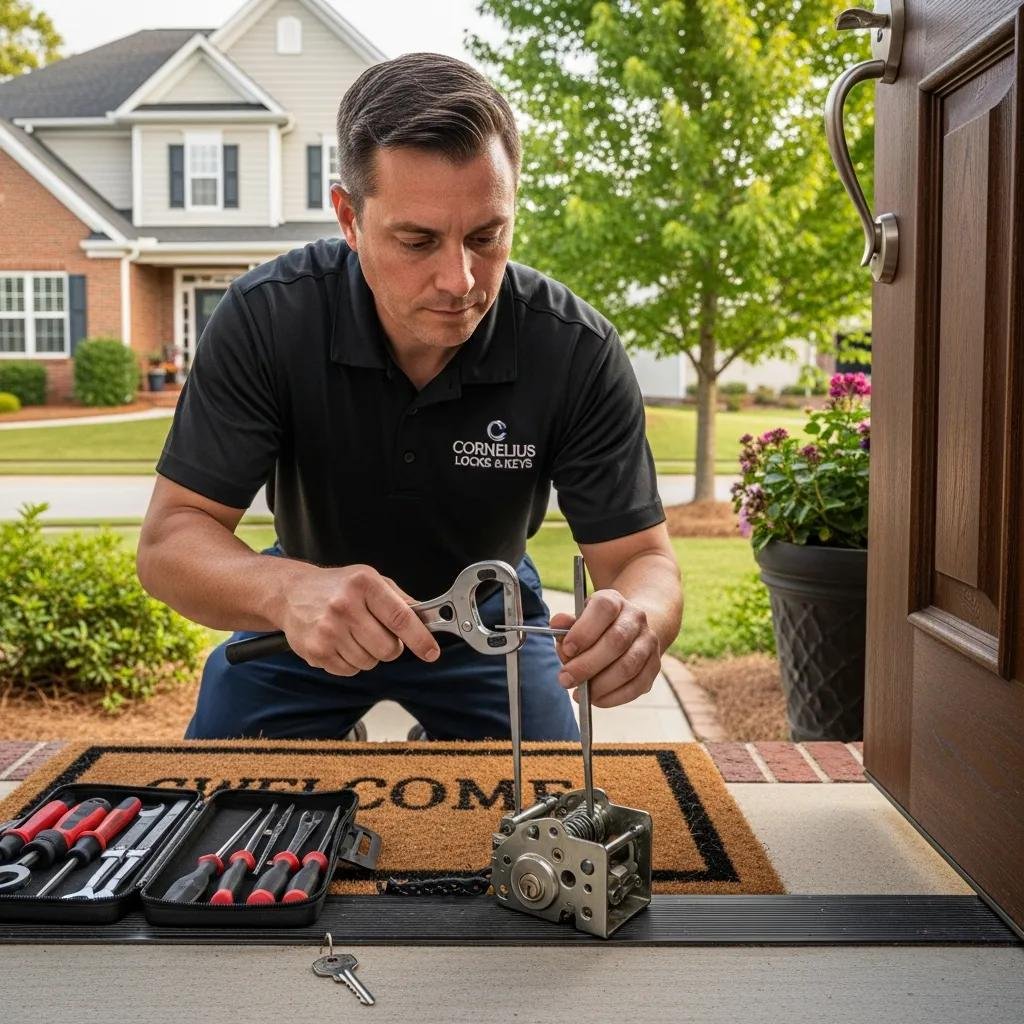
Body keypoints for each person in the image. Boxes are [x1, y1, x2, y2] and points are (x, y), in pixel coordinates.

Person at [137, 53, 682, 743]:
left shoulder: (573, 347)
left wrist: (639, 620)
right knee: (212, 810)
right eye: (418, 240)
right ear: (348, 217)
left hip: (488, 620)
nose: (460, 280)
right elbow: (168, 541)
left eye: (487, 237)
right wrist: (286, 593)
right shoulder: (267, 319)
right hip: (309, 612)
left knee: (550, 812)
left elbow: (644, 560)